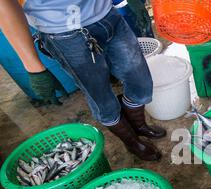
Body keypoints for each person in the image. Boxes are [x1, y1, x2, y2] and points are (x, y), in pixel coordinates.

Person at [0, 0, 165, 161]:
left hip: (108, 15)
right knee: (102, 99)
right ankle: (132, 142)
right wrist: (34, 67)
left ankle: (139, 126)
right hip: (65, 35)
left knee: (141, 83)